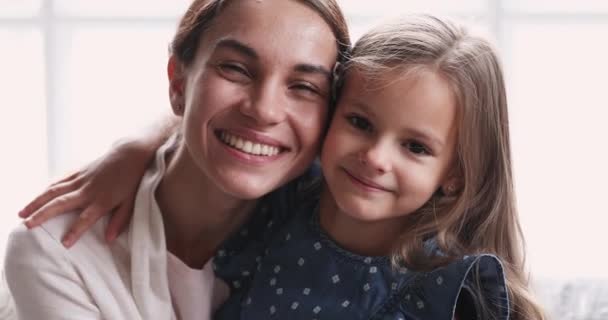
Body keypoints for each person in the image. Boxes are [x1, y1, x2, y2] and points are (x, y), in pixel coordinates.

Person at [17, 12, 547, 320]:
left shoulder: (438, 288)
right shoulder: (291, 202)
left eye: (416, 148)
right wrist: (134, 148)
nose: (375, 158)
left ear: (455, 172)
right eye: (360, 123)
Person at [3, 0, 350, 319]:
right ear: (178, 84)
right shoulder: (56, 250)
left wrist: (137, 144)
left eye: (305, 87)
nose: (264, 110)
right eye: (236, 69)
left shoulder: (347, 226)